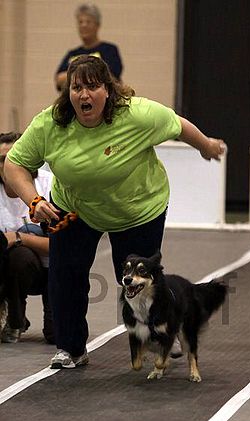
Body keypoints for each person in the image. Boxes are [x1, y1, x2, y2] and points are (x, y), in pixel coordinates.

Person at [4, 55, 226, 368]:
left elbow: (177, 125)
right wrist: (35, 202)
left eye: (92, 87)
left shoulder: (137, 114)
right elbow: (15, 164)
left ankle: (165, 328)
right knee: (65, 277)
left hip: (137, 209)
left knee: (139, 284)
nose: (84, 95)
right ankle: (71, 349)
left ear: (108, 90)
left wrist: (205, 146)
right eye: (76, 88)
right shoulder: (50, 123)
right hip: (75, 208)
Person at [0, 132, 54, 344]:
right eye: (1, 160)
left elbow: (60, 247)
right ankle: (14, 319)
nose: (5, 165)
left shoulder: (50, 185)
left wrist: (17, 237)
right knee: (18, 256)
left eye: (11, 158)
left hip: (54, 270)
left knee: (57, 336)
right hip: (13, 270)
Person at [55, 3, 123, 91]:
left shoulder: (109, 50)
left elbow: (110, 77)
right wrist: (90, 74)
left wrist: (74, 75)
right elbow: (59, 79)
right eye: (80, 22)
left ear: (97, 25)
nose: (84, 25)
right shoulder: (72, 53)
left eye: (88, 22)